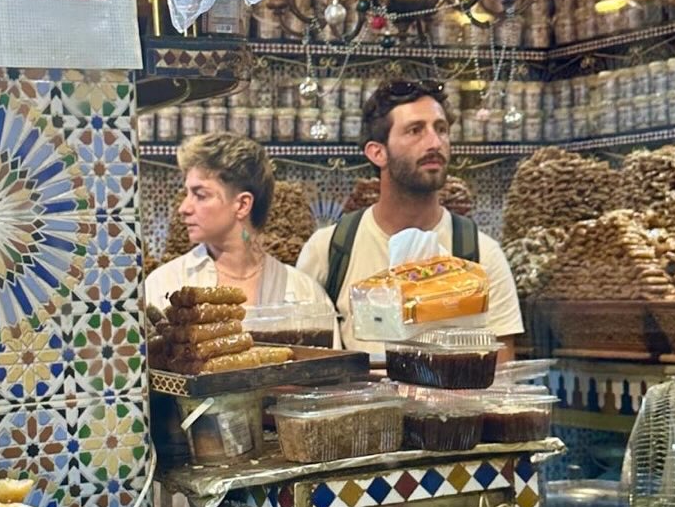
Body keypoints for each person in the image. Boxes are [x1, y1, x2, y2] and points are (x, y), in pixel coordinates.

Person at [296, 79, 523, 358]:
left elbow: (501, 375)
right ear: (377, 152)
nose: (435, 142)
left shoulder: (480, 254)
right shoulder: (329, 250)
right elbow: (305, 362)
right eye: (415, 131)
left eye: (441, 129)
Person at [145, 131, 337, 316]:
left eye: (200, 195)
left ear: (243, 204)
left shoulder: (305, 294)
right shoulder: (165, 286)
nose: (184, 208)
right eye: (187, 193)